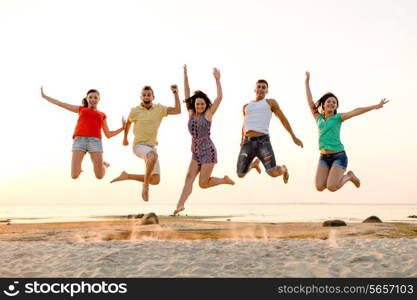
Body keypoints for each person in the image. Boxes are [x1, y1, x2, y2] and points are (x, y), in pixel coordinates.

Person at [304, 71, 389, 192]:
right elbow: (310, 102)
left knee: (331, 187)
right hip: (323, 156)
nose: (331, 103)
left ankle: (349, 176)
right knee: (319, 187)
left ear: (336, 106)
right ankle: (345, 176)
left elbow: (356, 111)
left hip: (339, 156)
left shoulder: (338, 118)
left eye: (334, 102)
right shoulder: (318, 118)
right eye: (329, 101)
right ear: (323, 105)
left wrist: (374, 106)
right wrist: (307, 82)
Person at [173, 65, 234, 216]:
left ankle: (223, 180)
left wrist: (217, 79)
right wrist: (185, 75)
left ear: (206, 105)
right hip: (195, 152)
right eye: (197, 103)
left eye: (202, 104)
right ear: (194, 104)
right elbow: (187, 92)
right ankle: (180, 205)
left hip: (208, 151)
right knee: (188, 177)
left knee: (203, 183)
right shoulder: (190, 112)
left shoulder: (208, 115)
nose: (199, 105)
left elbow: (219, 98)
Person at [111, 84, 181, 201]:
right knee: (153, 156)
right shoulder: (135, 111)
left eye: (149, 95)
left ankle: (127, 176)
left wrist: (175, 93)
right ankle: (145, 187)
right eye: (144, 95)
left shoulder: (160, 109)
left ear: (153, 97)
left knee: (155, 180)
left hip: (151, 147)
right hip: (138, 146)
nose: (146, 97)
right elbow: (128, 124)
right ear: (141, 97)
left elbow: (178, 110)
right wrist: (125, 138)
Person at [40, 87, 125, 179]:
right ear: (87, 98)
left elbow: (108, 134)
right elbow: (61, 103)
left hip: (95, 142)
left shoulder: (102, 115)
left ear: (99, 99)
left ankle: (104, 165)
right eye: (90, 97)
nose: (93, 99)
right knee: (74, 175)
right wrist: (45, 96)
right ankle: (79, 169)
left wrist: (122, 128)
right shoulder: (81, 109)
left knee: (99, 176)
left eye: (95, 97)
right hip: (79, 141)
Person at [236, 79, 303, 181]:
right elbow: (244, 124)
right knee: (240, 174)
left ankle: (284, 169)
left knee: (272, 172)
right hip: (247, 142)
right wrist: (242, 140)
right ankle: (254, 164)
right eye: (259, 87)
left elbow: (283, 119)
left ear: (267, 91)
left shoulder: (270, 102)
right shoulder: (246, 106)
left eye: (264, 87)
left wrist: (293, 136)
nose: (261, 89)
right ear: (255, 89)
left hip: (262, 141)